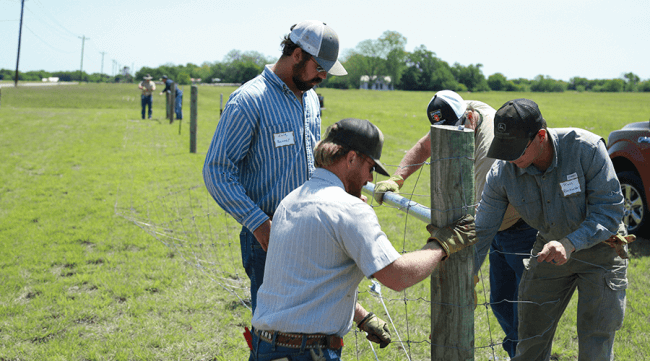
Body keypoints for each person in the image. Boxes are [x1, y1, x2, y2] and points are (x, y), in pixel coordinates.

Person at [249, 118, 478, 361]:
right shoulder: (348, 209)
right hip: (307, 352)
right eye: (370, 168)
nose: (369, 179)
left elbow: (306, 279)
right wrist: (443, 243)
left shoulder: (291, 201)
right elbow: (397, 276)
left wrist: (361, 317)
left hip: (265, 346)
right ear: (351, 159)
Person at [372, 90, 537, 357]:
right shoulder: (460, 112)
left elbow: (482, 218)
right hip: (496, 231)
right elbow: (426, 145)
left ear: (469, 118)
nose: (448, 141)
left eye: (454, 132)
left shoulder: (490, 148)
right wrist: (398, 179)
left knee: (526, 306)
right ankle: (517, 352)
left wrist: (468, 274)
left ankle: (528, 354)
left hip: (521, 229)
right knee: (500, 301)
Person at [202, 20, 347, 313]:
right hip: (269, 234)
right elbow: (217, 170)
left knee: (310, 326)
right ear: (297, 55)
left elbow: (312, 159)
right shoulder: (249, 101)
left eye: (327, 72)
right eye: (319, 68)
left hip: (312, 230)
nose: (323, 77)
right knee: (274, 332)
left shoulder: (310, 100)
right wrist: (258, 224)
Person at [475, 98, 631, 360]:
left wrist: (570, 243)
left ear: (540, 136)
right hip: (549, 250)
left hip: (603, 251)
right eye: (505, 150)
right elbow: (483, 229)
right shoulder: (503, 171)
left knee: (596, 343)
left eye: (517, 150)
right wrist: (468, 274)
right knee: (530, 340)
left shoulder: (586, 148)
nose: (511, 160)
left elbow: (610, 210)